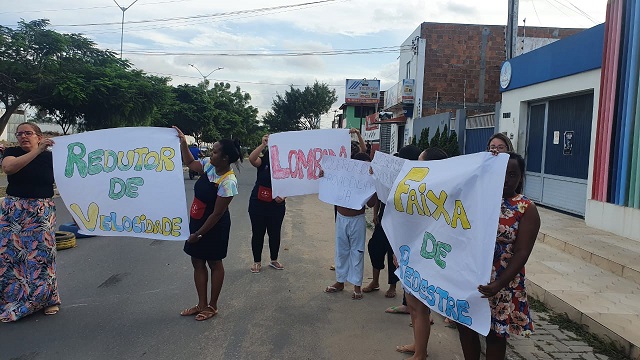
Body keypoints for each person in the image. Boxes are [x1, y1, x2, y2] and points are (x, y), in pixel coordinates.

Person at [456, 152, 540, 360]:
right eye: (501, 172)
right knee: (466, 326)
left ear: (521, 178)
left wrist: (498, 284)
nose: (506, 179)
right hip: (471, 276)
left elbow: (522, 252)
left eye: (513, 175)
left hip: (503, 282)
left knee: (495, 333)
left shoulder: (526, 208)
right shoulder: (477, 198)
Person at [174, 126, 242, 321]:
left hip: (213, 227)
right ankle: (200, 304)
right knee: (197, 261)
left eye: (214, 152)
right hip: (197, 221)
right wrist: (183, 143)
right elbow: (189, 162)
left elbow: (217, 214)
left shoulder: (228, 182)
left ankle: (212, 306)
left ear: (225, 158)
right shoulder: (209, 166)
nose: (210, 154)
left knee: (214, 262)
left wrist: (199, 234)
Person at [0, 122, 59, 322]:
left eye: (28, 133)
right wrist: (37, 151)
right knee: (10, 255)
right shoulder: (12, 152)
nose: (24, 136)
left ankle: (48, 299)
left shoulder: (51, 157)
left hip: (40, 211)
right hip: (14, 210)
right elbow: (8, 168)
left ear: (39, 136)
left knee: (42, 255)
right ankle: (15, 297)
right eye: (20, 134)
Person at [395, 147, 449, 360]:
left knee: (421, 308)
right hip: (411, 253)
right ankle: (417, 346)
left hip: (427, 255)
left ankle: (421, 353)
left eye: (421, 161)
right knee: (412, 306)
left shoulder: (441, 191)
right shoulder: (418, 187)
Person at [363, 145, 421, 299]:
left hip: (403, 222)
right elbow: (379, 188)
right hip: (385, 216)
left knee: (393, 253)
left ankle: (392, 286)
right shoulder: (390, 168)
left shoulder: (418, 175)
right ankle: (375, 281)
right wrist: (375, 213)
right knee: (375, 246)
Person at [324, 152, 377, 300]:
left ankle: (357, 286)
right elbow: (329, 183)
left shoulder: (370, 179)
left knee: (357, 252)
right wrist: (324, 175)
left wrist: (374, 181)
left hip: (357, 220)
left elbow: (371, 204)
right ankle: (340, 281)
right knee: (341, 251)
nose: (366, 168)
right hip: (341, 218)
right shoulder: (343, 176)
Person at [248, 134, 286, 273]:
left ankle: (274, 260)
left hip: (276, 205)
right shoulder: (263, 162)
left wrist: (284, 196)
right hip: (257, 203)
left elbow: (292, 183)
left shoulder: (287, 164)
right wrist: (263, 145)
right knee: (258, 233)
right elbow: (252, 159)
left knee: (275, 233)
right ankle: (256, 262)